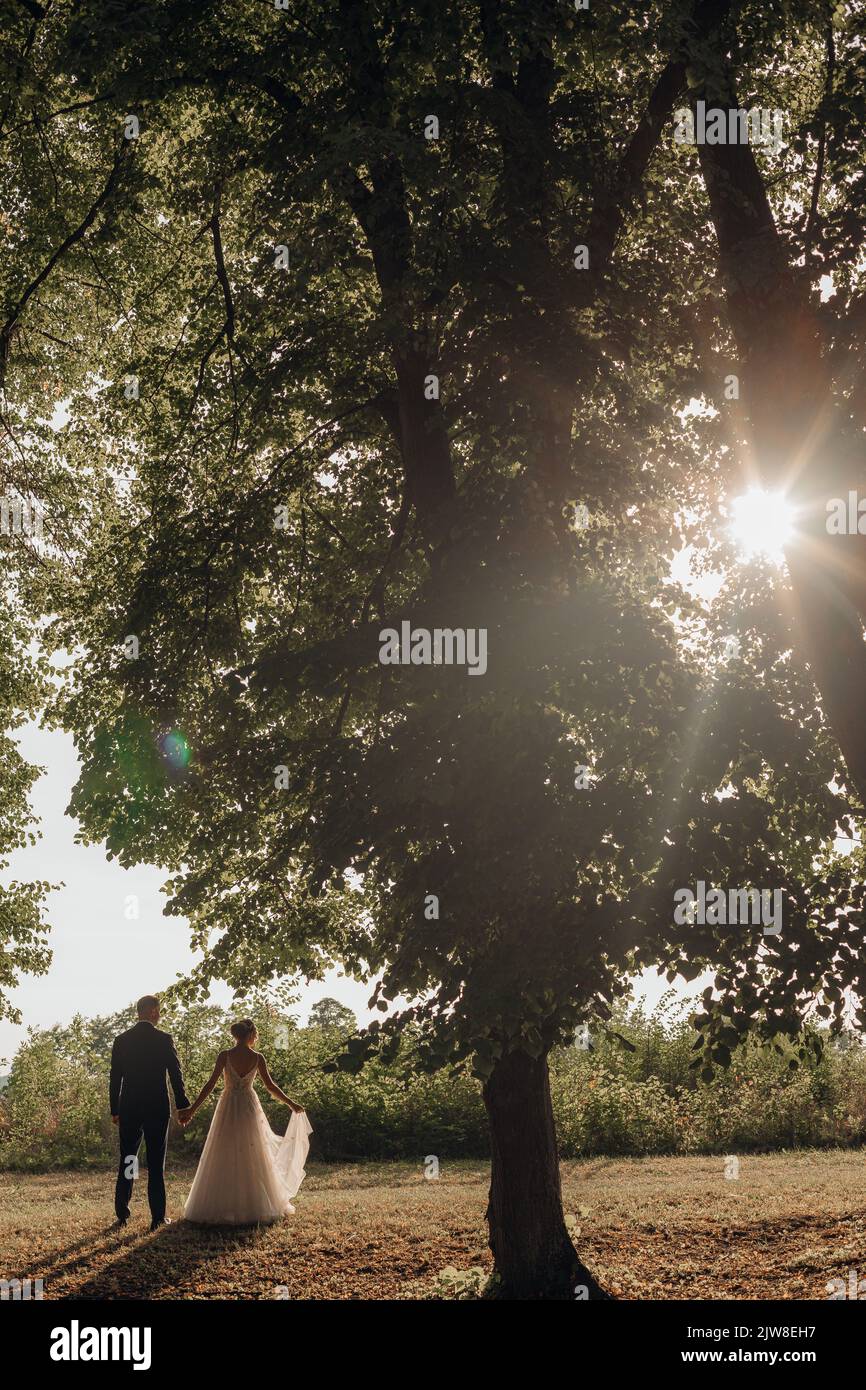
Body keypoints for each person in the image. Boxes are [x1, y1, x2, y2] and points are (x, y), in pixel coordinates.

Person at [180, 1018, 312, 1225]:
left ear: (236, 1035)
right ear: (251, 1035)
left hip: (228, 1105)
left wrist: (192, 1109)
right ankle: (254, 1204)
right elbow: (271, 1087)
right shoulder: (257, 1058)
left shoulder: (225, 1056)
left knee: (224, 1150)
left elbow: (210, 1085)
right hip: (249, 1107)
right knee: (253, 1150)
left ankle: (222, 1204)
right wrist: (291, 1104)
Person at [110, 994, 191, 1230]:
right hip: (156, 1106)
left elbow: (115, 1078)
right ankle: (157, 1217)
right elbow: (176, 1075)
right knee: (156, 1161)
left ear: (139, 1012)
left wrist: (115, 1108)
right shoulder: (163, 1039)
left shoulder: (121, 1040)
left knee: (130, 1157)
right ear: (153, 1011)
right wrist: (182, 1105)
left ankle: (123, 1212)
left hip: (129, 1107)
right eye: (159, 1010)